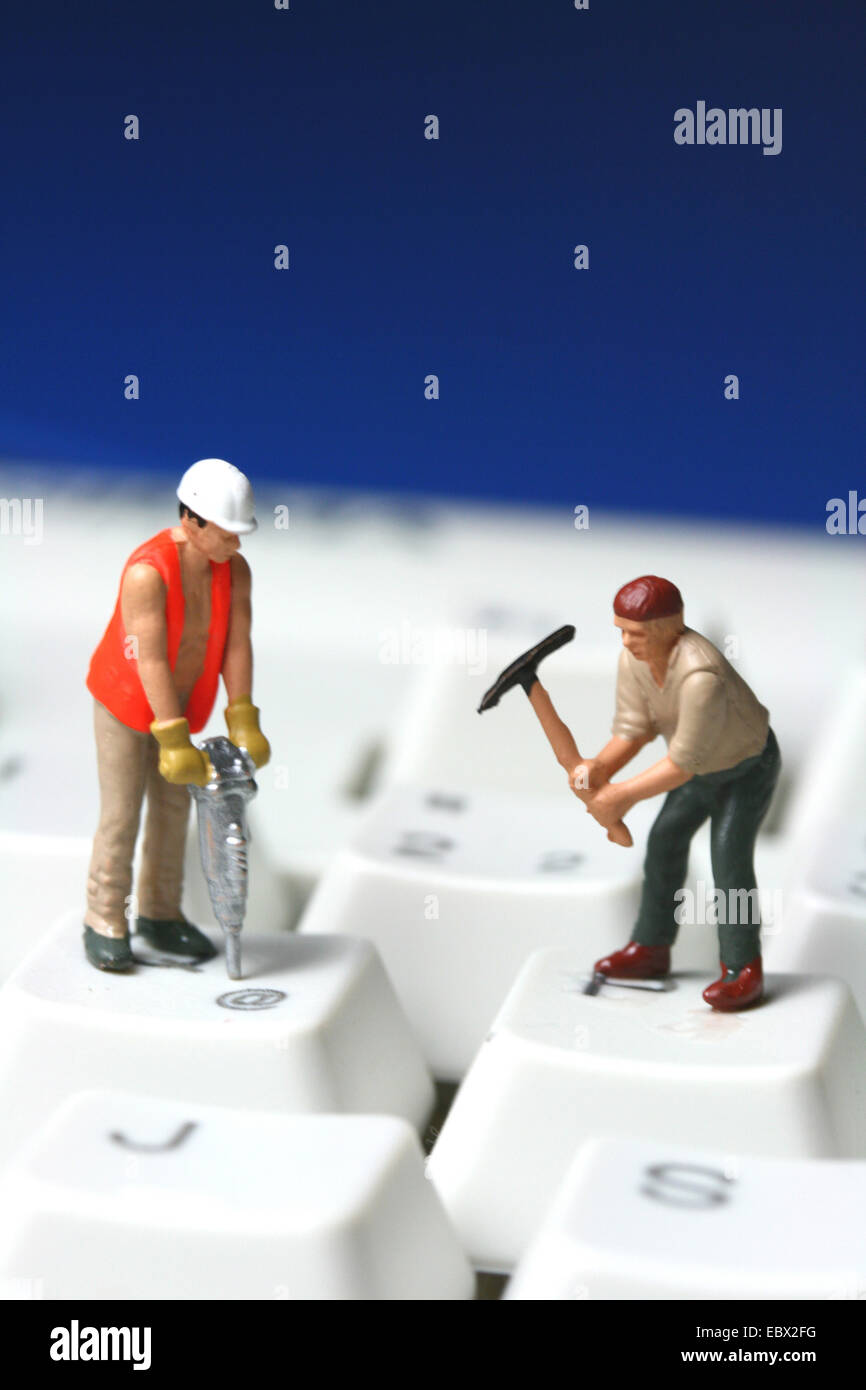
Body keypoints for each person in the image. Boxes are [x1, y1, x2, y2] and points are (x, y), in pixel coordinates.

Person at [478, 575, 780, 1011]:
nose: (626, 641)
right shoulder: (635, 660)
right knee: (663, 843)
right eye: (620, 629)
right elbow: (634, 730)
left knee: (729, 863)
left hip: (745, 769)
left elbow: (682, 764)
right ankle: (651, 949)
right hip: (699, 769)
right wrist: (599, 768)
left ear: (668, 627)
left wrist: (620, 797)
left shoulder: (701, 677)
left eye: (635, 633)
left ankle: (743, 969)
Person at [82, 458, 271, 972]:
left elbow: (237, 643)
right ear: (193, 521)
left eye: (241, 534)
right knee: (123, 813)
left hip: (184, 707)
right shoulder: (148, 572)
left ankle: (161, 914)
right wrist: (171, 739)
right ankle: (103, 917)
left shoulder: (235, 571)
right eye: (229, 533)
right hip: (125, 705)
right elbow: (149, 659)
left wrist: (242, 717)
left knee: (174, 812)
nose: (237, 544)